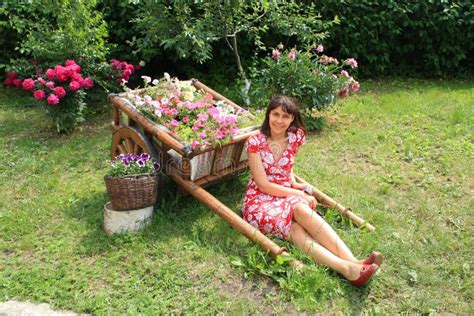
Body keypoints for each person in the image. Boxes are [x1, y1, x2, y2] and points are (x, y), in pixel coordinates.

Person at [242, 95, 382, 287]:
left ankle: (354, 262)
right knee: (295, 228)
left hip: (285, 192)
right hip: (260, 200)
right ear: (268, 115)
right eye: (275, 114)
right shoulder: (255, 142)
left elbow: (287, 165)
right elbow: (263, 185)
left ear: (292, 119)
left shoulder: (295, 137)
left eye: (285, 116)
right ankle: (347, 269)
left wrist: (293, 183)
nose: (279, 121)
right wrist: (299, 193)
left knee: (302, 211)